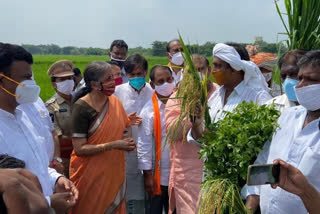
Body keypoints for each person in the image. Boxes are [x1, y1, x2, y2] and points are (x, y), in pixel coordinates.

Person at [0, 43, 78, 214]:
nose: (31, 84)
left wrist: (56, 179)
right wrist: (49, 202)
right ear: (2, 81)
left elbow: (39, 165)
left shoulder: (23, 117)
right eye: (25, 79)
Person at [242, 50, 320, 214]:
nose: (299, 86)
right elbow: (264, 161)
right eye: (300, 78)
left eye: (310, 80)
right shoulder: (288, 117)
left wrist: (305, 190)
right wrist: (250, 205)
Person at [69, 61, 135, 214]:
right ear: (95, 84)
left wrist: (127, 140)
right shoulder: (82, 108)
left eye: (113, 77)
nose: (114, 82)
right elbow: (79, 149)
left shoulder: (115, 102)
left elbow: (125, 126)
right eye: (108, 79)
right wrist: (114, 145)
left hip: (113, 171)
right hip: (89, 176)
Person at [164, 54, 218, 214]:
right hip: (188, 173)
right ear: (184, 73)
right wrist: (190, 117)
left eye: (200, 69)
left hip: (216, 169)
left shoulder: (220, 93)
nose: (196, 75)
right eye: (191, 71)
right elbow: (172, 132)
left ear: (209, 70)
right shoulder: (177, 97)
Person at [188, 43, 272, 142]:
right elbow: (203, 141)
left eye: (218, 66)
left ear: (234, 68)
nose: (213, 71)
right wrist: (196, 125)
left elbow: (266, 139)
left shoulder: (258, 97)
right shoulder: (215, 97)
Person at [114, 53, 154, 214]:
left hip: (150, 148)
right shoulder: (117, 93)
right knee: (129, 194)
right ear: (126, 74)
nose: (136, 78)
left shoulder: (154, 92)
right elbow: (109, 122)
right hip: (127, 150)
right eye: (132, 75)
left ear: (146, 72)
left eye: (140, 74)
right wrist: (125, 121)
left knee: (152, 193)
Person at [137, 65, 175, 214]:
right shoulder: (149, 111)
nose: (166, 84)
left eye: (169, 79)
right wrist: (147, 176)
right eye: (160, 81)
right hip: (158, 174)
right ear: (152, 85)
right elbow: (144, 144)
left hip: (180, 173)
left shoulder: (183, 104)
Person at [18, 96, 64, 174]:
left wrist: (57, 160)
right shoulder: (12, 109)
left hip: (55, 168)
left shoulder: (37, 99)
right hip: (35, 173)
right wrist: (48, 166)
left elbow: (52, 131)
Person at [46, 60, 75, 176]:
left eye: (70, 78)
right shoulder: (50, 107)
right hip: (66, 159)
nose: (68, 82)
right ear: (54, 84)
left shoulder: (81, 101)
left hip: (85, 157)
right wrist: (83, 141)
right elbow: (56, 137)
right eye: (62, 80)